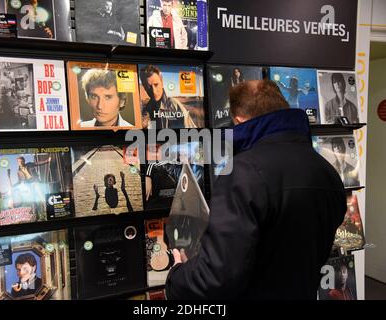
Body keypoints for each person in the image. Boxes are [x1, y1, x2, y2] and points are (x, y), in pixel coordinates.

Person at [165, 80, 347, 299]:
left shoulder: (242, 172)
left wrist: (176, 278)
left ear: (239, 120)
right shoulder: (327, 171)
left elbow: (216, 276)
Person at [139, 65, 196, 129]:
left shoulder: (174, 105)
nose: (154, 91)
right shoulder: (147, 108)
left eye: (156, 84)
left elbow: (192, 133)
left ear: (162, 82)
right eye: (149, 87)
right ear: (144, 87)